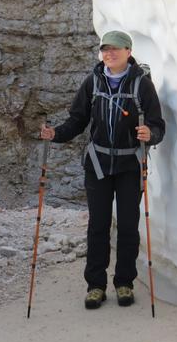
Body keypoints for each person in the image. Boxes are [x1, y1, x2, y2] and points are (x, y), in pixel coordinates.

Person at [40, 30, 165, 309]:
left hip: (129, 166)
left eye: (116, 49)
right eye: (105, 49)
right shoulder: (92, 83)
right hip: (97, 165)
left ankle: (124, 283)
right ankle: (95, 286)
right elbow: (77, 120)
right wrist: (55, 134)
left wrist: (150, 134)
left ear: (128, 52)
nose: (109, 54)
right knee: (98, 226)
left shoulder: (142, 86)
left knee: (129, 227)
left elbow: (158, 124)